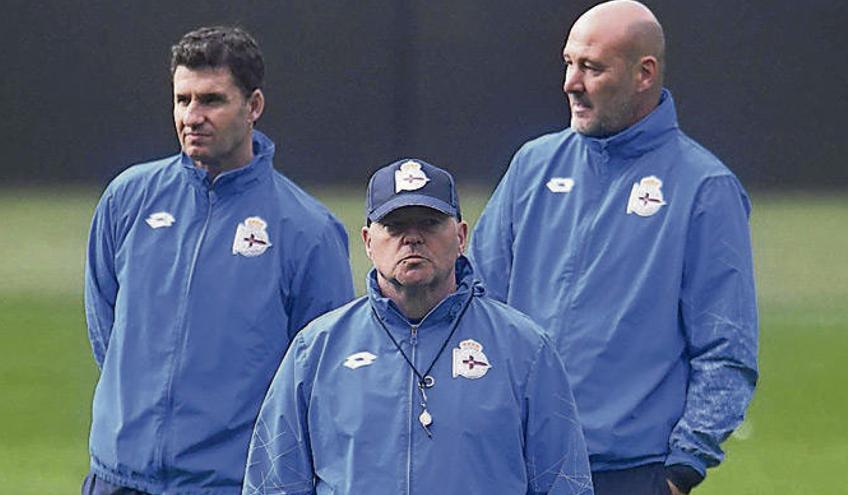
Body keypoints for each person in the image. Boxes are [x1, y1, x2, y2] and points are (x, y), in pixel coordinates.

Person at [469, 2, 759, 494]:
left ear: (644, 73)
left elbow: (726, 347)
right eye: (568, 62)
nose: (570, 83)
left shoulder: (704, 187)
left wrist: (681, 469)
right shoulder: (533, 166)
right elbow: (474, 301)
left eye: (592, 67)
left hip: (629, 472)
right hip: (513, 463)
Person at [82, 26, 354, 494]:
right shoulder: (128, 199)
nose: (193, 116)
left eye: (211, 100)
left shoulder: (308, 230)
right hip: (118, 478)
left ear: (253, 107)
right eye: (182, 99)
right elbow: (105, 328)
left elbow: (323, 380)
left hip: (229, 484)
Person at [242, 159, 593, 495]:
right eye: (395, 226)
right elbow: (275, 483)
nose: (412, 238)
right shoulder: (316, 350)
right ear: (367, 241)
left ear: (461, 236)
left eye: (428, 223)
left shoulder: (525, 348)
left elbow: (562, 481)